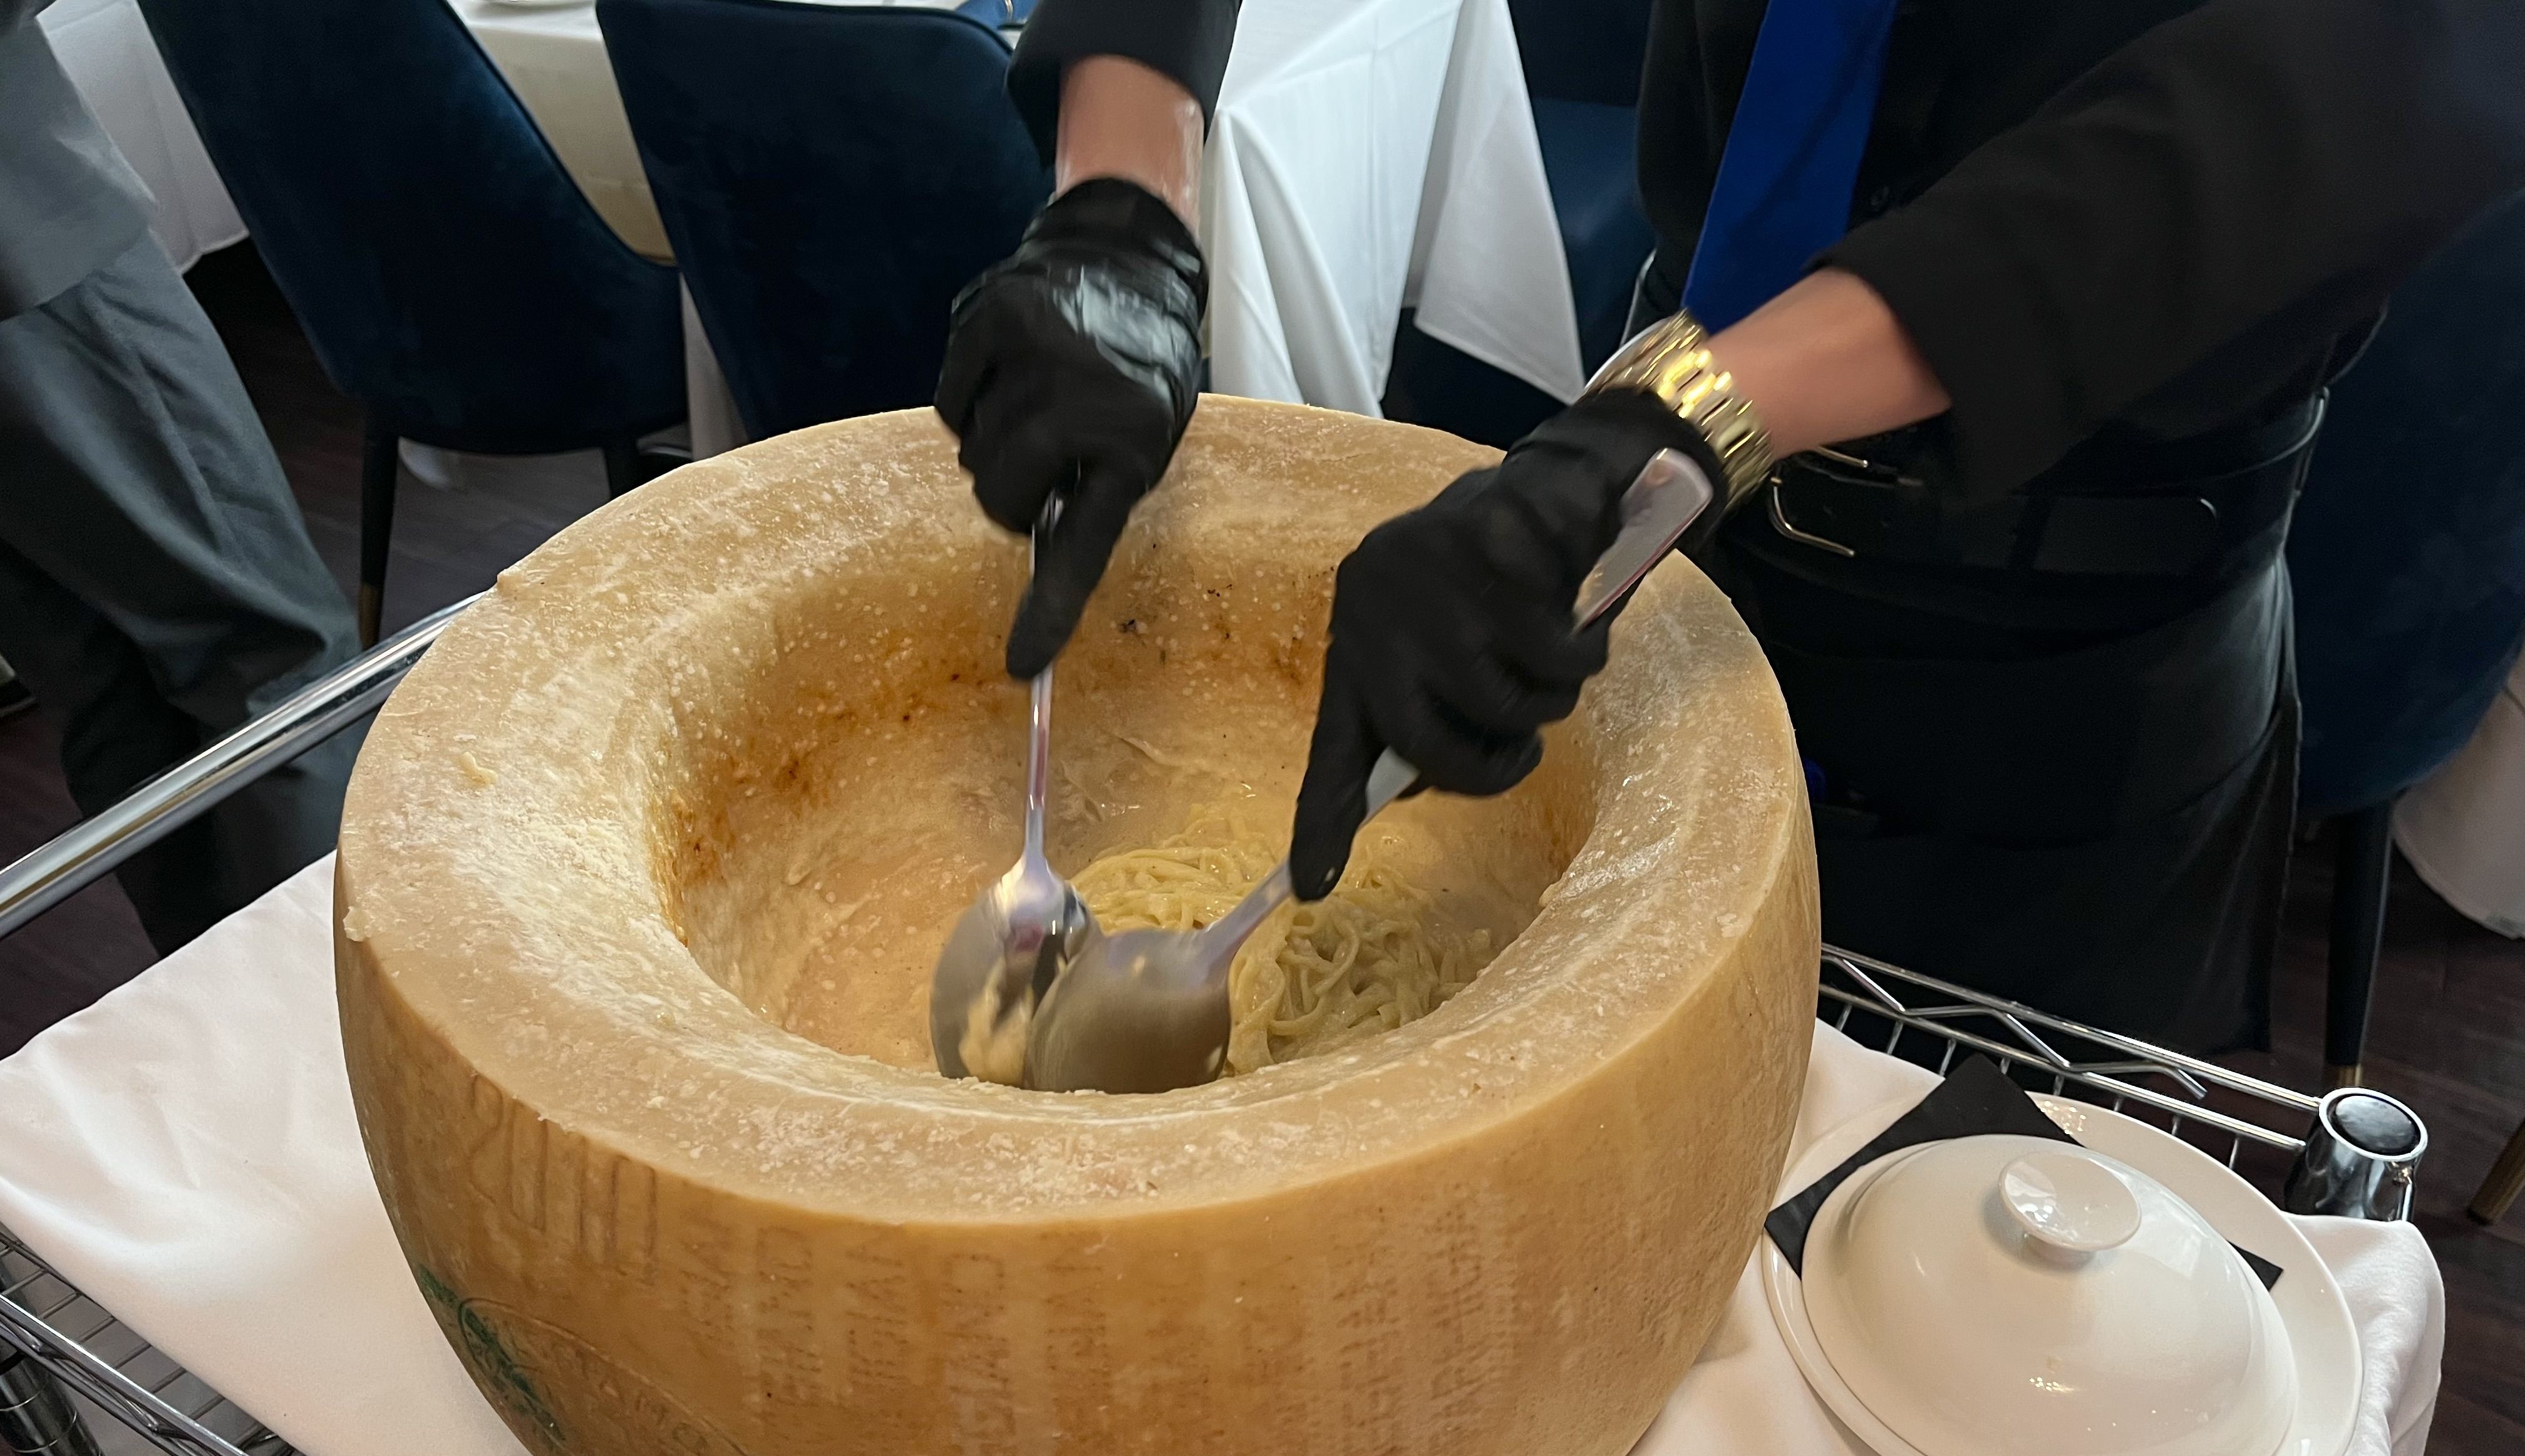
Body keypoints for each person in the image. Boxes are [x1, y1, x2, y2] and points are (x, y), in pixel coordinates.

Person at [936, 0, 2525, 1058]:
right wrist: (1124, 193)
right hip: (1658, 514)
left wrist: (1708, 405)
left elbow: (2346, 91)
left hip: (2058, 681)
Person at [1, 0, 360, 953]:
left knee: (101, 676)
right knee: (273, 658)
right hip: (24, 239)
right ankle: (332, 1019)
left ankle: (227, 991)